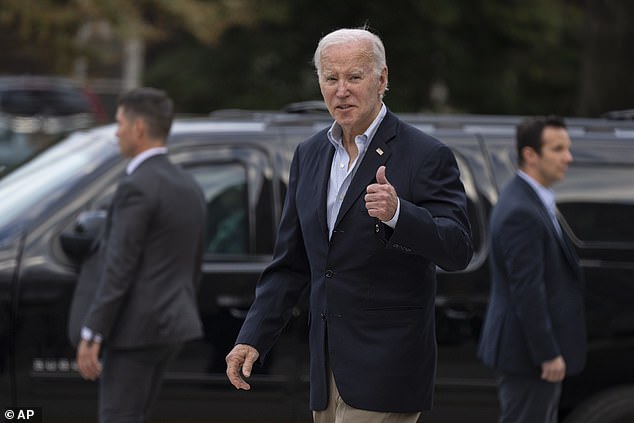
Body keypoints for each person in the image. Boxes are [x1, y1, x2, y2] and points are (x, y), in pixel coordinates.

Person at [226, 27, 474, 423]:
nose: (341, 90)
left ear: (382, 79)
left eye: (354, 77)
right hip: (325, 365)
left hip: (387, 363)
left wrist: (398, 213)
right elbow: (291, 263)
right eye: (331, 78)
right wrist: (252, 337)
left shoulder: (426, 155)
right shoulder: (309, 155)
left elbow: (458, 247)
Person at [75, 87, 207, 423]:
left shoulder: (137, 185)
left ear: (138, 128)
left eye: (119, 123)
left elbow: (119, 265)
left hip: (134, 331)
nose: (116, 132)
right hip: (171, 326)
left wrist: (93, 331)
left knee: (119, 416)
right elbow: (192, 264)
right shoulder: (188, 184)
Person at [477, 116, 586, 423]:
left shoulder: (532, 200)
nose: (569, 157)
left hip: (530, 353)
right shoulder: (520, 211)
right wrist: (547, 353)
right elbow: (527, 290)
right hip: (528, 356)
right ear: (530, 155)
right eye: (558, 149)